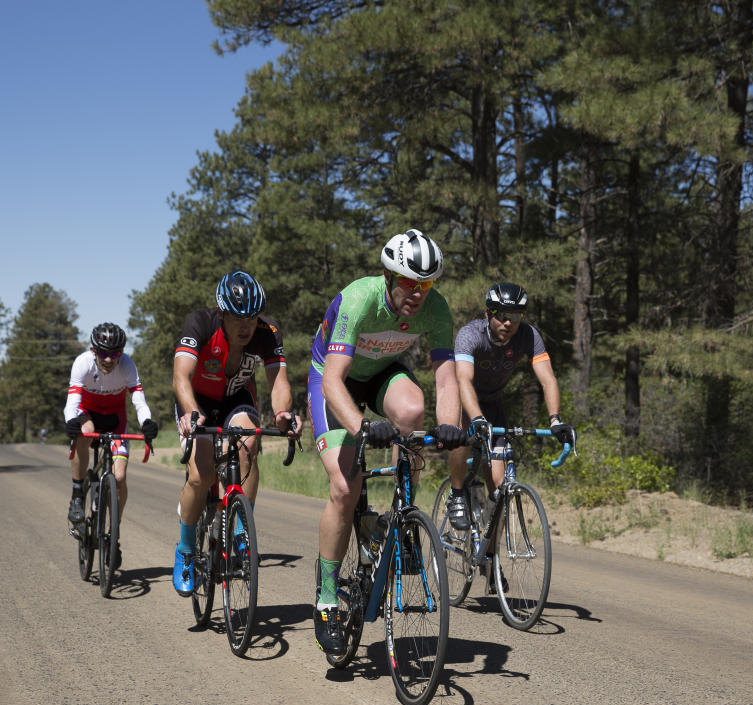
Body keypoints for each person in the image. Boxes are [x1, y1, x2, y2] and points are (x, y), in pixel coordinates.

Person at [307, 228, 466, 654]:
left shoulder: (436, 308)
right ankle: (326, 599)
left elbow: (446, 378)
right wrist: (362, 426)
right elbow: (333, 382)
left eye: (425, 285)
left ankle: (402, 518)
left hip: (380, 373)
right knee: (345, 487)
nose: (417, 294)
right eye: (409, 283)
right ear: (389, 276)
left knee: (413, 413)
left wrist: (449, 427)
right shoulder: (360, 299)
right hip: (333, 379)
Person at [171, 270, 301, 596]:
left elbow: (279, 383)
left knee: (247, 445)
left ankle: (242, 531)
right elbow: (181, 377)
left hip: (236, 398)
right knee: (201, 474)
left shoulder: (268, 333)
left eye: (252, 318)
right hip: (197, 400)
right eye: (238, 318)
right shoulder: (200, 323)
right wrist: (191, 412)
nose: (246, 326)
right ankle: (186, 549)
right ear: (222, 313)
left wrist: (283, 414)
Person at [443, 282, 576, 530]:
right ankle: (457, 494)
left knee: (499, 489)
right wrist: (477, 418)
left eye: (515, 316)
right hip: (464, 400)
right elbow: (463, 380)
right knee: (461, 438)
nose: (508, 323)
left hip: (493, 404)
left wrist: (555, 419)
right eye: (502, 316)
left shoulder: (528, 335)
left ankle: (488, 548)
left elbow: (548, 380)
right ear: (488, 314)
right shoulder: (471, 335)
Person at [65, 322, 159, 568]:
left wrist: (146, 422)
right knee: (85, 432)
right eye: (103, 353)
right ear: (93, 350)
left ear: (121, 352)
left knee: (119, 477)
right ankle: (77, 493)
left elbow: (138, 399)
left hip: (116, 421)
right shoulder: (82, 363)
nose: (109, 359)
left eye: (115, 354)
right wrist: (71, 422)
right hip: (88, 414)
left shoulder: (127, 365)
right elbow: (72, 401)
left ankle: (113, 532)